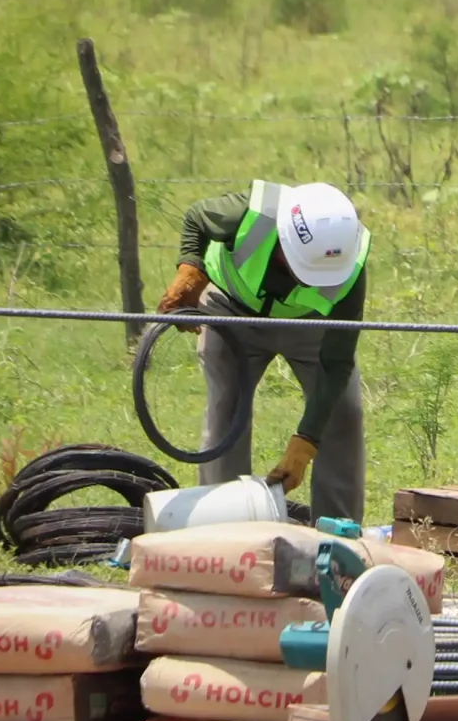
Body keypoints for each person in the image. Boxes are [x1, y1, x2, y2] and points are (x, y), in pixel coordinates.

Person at [156, 181, 370, 523]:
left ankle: (338, 535)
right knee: (227, 409)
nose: (313, 281)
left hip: (310, 327)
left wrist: (307, 440)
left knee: (342, 414)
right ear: (284, 239)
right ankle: (223, 524)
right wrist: (190, 271)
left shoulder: (349, 264)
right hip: (232, 309)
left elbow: (336, 363)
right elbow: (197, 216)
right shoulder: (251, 213)